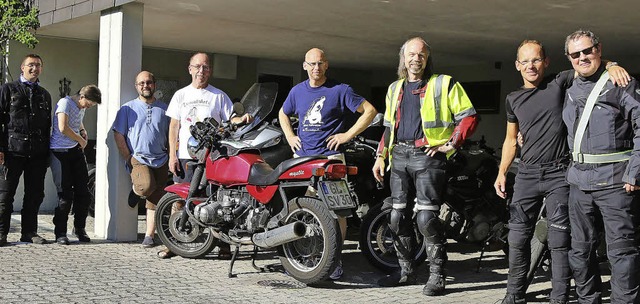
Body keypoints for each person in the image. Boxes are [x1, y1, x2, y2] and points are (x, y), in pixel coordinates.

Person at [494, 40, 630, 304]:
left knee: (559, 241)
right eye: (525, 61)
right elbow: (511, 140)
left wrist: (613, 66)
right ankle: (513, 295)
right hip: (526, 176)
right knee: (518, 238)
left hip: (559, 174)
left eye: (536, 60)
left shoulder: (560, 83)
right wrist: (501, 172)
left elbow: (589, 64)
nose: (531, 66)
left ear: (545, 62)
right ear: (517, 65)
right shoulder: (513, 99)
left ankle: (559, 298)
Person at [372, 37, 478, 296]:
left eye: (420, 54)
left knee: (426, 218)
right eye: (411, 54)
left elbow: (469, 116)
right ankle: (406, 271)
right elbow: (388, 126)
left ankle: (437, 275)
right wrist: (380, 156)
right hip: (399, 156)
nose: (415, 58)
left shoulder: (444, 83)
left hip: (427, 158)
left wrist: (451, 144)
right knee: (396, 217)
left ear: (427, 58)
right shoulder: (394, 88)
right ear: (403, 58)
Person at [278, 47, 377, 280]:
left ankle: (334, 260)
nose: (316, 68)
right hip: (302, 158)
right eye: (311, 64)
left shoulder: (340, 90)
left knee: (336, 211)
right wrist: (290, 136)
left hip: (330, 159)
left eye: (320, 63)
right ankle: (304, 257)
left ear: (327, 65)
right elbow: (283, 114)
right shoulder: (296, 92)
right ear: (305, 66)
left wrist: (346, 136)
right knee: (298, 208)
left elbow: (370, 111)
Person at [562, 29, 640, 304]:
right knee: (580, 252)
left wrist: (634, 171)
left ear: (599, 49)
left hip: (615, 182)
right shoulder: (568, 87)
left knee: (621, 252)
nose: (583, 57)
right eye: (576, 54)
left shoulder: (621, 83)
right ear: (569, 58)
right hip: (579, 184)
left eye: (588, 51)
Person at [164, 52, 251, 259]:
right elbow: (174, 126)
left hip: (213, 158)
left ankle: (223, 245)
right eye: (197, 67)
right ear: (190, 69)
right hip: (187, 155)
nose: (201, 71)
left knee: (218, 200)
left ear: (209, 70)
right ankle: (174, 241)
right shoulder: (180, 95)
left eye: (205, 67)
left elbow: (232, 119)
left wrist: (244, 118)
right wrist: (172, 155)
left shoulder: (218, 96)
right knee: (179, 198)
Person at [112, 71, 170, 248]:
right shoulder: (127, 109)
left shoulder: (165, 108)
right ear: (136, 86)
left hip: (161, 159)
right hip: (138, 158)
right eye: (142, 83)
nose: (146, 86)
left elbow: (172, 133)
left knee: (155, 199)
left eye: (149, 83)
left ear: (154, 85)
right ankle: (138, 191)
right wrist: (128, 157)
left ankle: (149, 236)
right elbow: (118, 134)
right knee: (146, 186)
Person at [0, 54, 52, 246]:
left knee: (35, 194)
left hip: (37, 153)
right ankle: (1, 233)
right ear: (22, 67)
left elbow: (48, 127)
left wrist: (47, 154)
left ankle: (29, 232)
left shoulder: (44, 95)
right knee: (5, 195)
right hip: (12, 151)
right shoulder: (8, 90)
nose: (34, 68)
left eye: (38, 65)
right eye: (30, 65)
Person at [49, 85, 101, 245]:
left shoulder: (80, 107)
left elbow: (77, 123)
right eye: (89, 103)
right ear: (82, 96)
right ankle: (60, 232)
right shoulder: (65, 103)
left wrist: (83, 131)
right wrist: (81, 140)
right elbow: (63, 127)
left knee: (83, 193)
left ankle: (79, 228)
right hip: (60, 151)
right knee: (65, 195)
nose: (88, 107)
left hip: (75, 151)